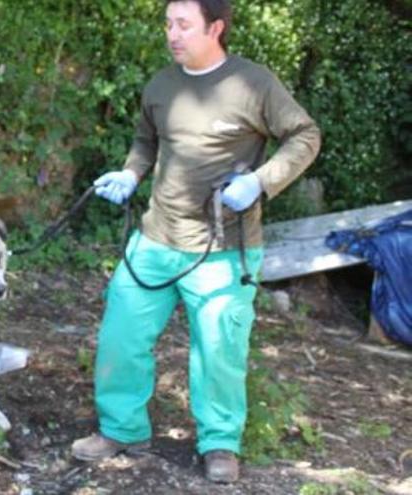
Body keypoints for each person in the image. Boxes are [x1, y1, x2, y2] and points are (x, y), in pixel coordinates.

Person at [71, 0, 321, 484]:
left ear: (216, 28)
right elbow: (147, 139)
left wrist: (262, 181)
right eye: (168, 24)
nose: (172, 34)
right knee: (120, 337)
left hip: (222, 248)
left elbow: (305, 135)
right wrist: (129, 173)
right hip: (155, 238)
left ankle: (220, 444)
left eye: (183, 25)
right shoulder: (163, 84)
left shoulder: (254, 83)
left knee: (218, 349)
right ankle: (122, 428)